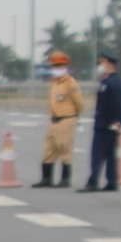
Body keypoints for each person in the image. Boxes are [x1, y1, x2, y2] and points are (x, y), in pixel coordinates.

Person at [33, 50, 85, 187]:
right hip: (54, 120)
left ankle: (65, 179)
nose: (58, 69)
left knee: (64, 149)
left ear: (66, 67)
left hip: (66, 119)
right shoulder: (55, 82)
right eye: (56, 66)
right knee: (49, 149)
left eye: (61, 66)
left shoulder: (70, 83)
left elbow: (79, 103)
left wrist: (75, 115)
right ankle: (46, 179)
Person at [79, 53, 121, 193]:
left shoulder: (112, 83)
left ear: (109, 64)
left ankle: (93, 182)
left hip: (105, 125)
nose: (100, 66)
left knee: (97, 154)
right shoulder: (109, 81)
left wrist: (116, 123)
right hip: (108, 123)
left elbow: (117, 105)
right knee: (110, 154)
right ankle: (112, 181)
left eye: (102, 63)